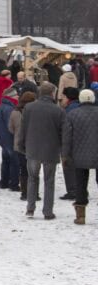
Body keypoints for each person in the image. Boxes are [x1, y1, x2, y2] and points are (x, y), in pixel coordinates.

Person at [18, 82, 64, 219]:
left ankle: (30, 208)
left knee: (32, 178)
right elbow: (63, 132)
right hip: (51, 149)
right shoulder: (58, 110)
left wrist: (21, 145)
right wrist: (63, 149)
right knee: (49, 181)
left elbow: (23, 128)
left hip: (32, 148)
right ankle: (47, 211)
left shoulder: (29, 108)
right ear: (52, 94)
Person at [64, 89, 98, 225]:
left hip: (78, 154)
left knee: (80, 184)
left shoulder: (72, 114)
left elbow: (67, 138)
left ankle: (81, 216)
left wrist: (65, 155)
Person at [0, 87, 20, 192]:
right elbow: (11, 125)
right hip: (9, 138)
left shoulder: (3, 106)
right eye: (15, 95)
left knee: (6, 160)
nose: (18, 96)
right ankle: (13, 183)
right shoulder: (9, 108)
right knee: (14, 161)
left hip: (3, 138)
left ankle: (4, 182)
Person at [59, 87, 81, 201]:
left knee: (69, 167)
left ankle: (72, 191)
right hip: (81, 143)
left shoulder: (68, 110)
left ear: (68, 97)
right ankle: (81, 189)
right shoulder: (80, 107)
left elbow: (66, 129)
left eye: (63, 96)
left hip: (70, 143)